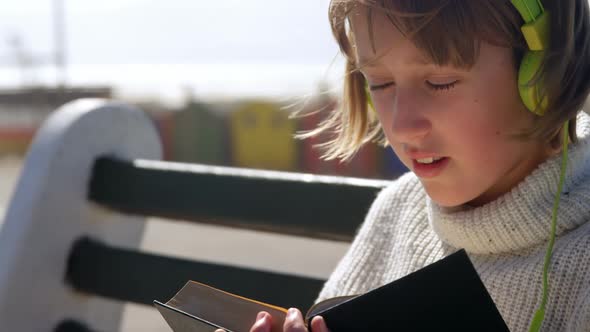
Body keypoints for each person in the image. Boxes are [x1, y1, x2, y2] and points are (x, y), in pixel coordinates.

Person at [218, 0, 590, 331]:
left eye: (439, 82)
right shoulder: (398, 210)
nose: (401, 125)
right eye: (379, 83)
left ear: (546, 76)